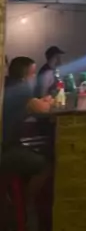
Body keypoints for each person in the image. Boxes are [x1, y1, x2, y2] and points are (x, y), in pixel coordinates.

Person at [1, 56, 53, 186]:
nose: (35, 76)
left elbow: (32, 104)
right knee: (46, 164)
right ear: (25, 75)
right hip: (6, 149)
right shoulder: (22, 89)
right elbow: (43, 110)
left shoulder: (8, 84)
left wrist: (40, 101)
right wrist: (50, 101)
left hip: (8, 144)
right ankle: (29, 198)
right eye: (33, 73)